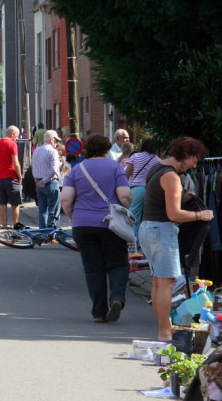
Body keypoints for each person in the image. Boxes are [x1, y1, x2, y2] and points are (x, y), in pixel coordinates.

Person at [139, 136, 212, 341]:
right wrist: (200, 215)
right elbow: (174, 214)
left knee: (158, 282)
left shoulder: (157, 168)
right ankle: (164, 332)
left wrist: (182, 197)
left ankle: (163, 328)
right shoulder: (172, 177)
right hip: (162, 230)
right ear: (186, 155)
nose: (193, 166)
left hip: (148, 228)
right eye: (194, 161)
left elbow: (158, 199)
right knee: (167, 283)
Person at [61, 135, 132, 323]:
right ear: (107, 149)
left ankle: (99, 312)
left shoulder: (76, 170)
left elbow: (66, 199)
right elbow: (124, 196)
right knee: (118, 263)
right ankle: (116, 297)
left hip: (83, 224)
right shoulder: (116, 167)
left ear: (87, 149)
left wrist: (73, 216)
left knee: (93, 268)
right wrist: (127, 207)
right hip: (110, 224)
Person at [125, 138, 161, 239]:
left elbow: (127, 174)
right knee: (149, 218)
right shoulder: (158, 160)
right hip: (152, 190)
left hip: (137, 189)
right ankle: (146, 241)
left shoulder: (135, 156)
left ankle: (133, 242)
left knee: (134, 216)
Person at [0, 125, 24, 229]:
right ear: (12, 134)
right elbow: (16, 163)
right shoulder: (12, 144)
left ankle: (4, 227)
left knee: (2, 204)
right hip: (12, 178)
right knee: (15, 204)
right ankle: (15, 226)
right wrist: (20, 176)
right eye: (17, 136)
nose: (17, 139)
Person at [32, 130, 61, 228]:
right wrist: (44, 181)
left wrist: (38, 181)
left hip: (38, 182)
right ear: (52, 139)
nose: (57, 143)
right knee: (54, 210)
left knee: (42, 211)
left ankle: (42, 232)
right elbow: (54, 169)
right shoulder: (53, 151)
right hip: (50, 182)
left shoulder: (36, 150)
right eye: (56, 140)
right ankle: (52, 233)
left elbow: (33, 168)